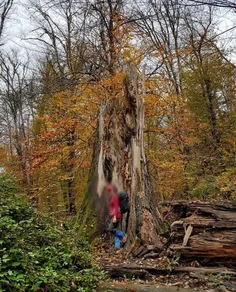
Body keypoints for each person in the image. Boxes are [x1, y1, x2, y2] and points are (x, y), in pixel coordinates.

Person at [106, 184, 127, 249]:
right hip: (113, 216)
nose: (109, 192)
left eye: (110, 190)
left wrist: (114, 216)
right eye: (108, 191)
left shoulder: (115, 197)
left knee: (110, 229)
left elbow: (116, 207)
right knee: (116, 232)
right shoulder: (111, 198)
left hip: (117, 216)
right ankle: (117, 247)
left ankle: (123, 234)